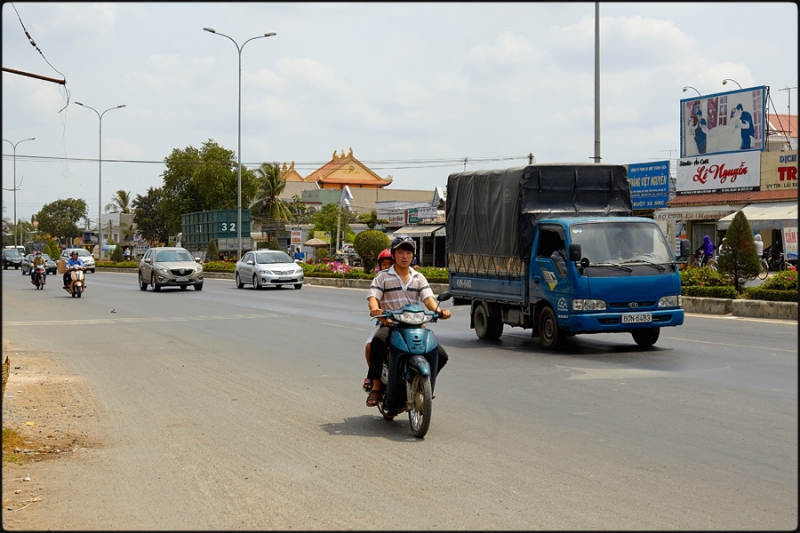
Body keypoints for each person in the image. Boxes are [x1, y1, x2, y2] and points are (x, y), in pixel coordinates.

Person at [365, 234, 452, 407]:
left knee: (440, 355)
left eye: (408, 252)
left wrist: (438, 310)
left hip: (415, 325)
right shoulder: (382, 276)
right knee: (377, 343)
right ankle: (376, 385)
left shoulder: (418, 277)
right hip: (391, 324)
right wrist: (376, 309)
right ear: (393, 254)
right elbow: (373, 297)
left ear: (413, 255)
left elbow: (428, 299)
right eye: (400, 252)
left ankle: (422, 384)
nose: (405, 256)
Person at [362, 248, 394, 392]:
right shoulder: (380, 280)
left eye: (390, 263)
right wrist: (378, 312)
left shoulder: (412, 278)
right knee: (370, 346)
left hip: (409, 322)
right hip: (385, 322)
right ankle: (375, 380)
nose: (387, 267)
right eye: (384, 264)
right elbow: (373, 299)